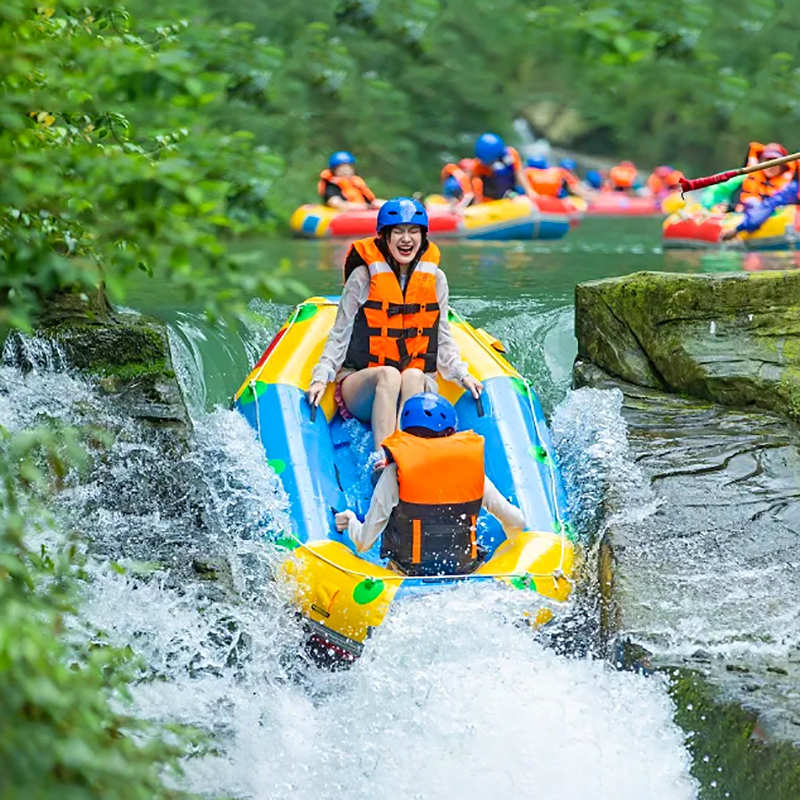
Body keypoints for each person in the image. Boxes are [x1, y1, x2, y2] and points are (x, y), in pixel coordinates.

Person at [307, 198, 483, 484]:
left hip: (410, 389)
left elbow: (443, 337)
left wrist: (463, 375)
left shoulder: (435, 279)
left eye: (413, 231)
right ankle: (384, 460)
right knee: (390, 375)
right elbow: (339, 335)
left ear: (423, 236)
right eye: (397, 231)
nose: (406, 239)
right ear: (384, 237)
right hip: (364, 385)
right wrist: (320, 376)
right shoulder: (363, 277)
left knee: (413, 374)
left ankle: (408, 456)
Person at [335, 393, 526, 576]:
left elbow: (364, 543)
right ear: (451, 433)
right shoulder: (471, 470)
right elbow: (516, 522)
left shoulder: (394, 474)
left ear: (407, 433)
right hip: (467, 573)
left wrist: (352, 520)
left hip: (408, 576)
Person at [721, 151, 800, 240]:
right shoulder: (792, 189)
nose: (771, 168)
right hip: (752, 211)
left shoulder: (789, 185)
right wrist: (738, 228)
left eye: (774, 163)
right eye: (768, 162)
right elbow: (767, 207)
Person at [469, 133, 535, 202]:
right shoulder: (478, 165)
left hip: (510, 195)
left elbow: (519, 173)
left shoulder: (511, 155)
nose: (488, 166)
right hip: (489, 200)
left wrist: (529, 191)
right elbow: (473, 185)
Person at [318, 151, 382, 210]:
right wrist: (363, 207)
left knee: (382, 203)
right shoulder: (332, 184)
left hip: (362, 211)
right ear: (334, 171)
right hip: (344, 215)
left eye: (348, 168)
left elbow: (371, 202)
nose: (346, 171)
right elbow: (334, 203)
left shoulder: (356, 183)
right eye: (341, 168)